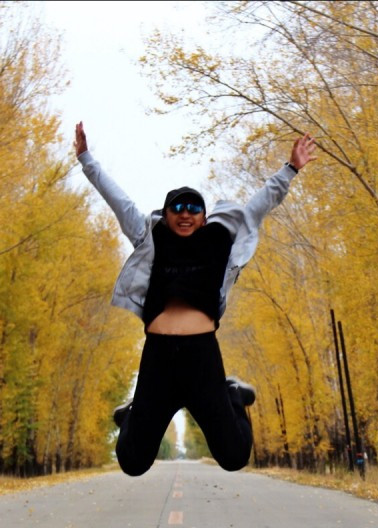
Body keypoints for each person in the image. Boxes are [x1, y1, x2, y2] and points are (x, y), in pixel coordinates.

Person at [74, 122, 316, 476]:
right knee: (132, 462)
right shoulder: (150, 236)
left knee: (234, 457)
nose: (185, 213)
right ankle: (133, 413)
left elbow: (259, 205)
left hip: (202, 357)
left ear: (203, 218)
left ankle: (232, 395)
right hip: (158, 358)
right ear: (166, 214)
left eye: (193, 208)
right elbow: (119, 201)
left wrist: (291, 168)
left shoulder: (219, 239)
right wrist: (86, 159)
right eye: (177, 208)